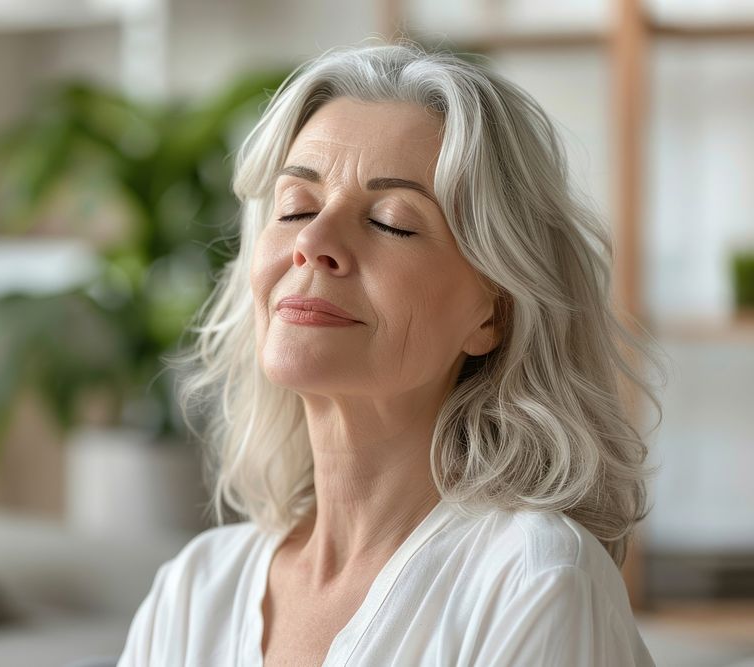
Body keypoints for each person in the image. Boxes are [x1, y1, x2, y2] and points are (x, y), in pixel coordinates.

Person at [116, 42, 664, 666]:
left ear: (493, 314)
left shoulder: (534, 580)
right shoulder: (195, 591)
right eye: (295, 207)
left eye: (391, 222)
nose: (314, 242)